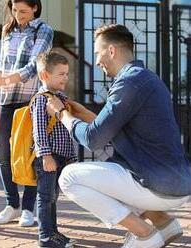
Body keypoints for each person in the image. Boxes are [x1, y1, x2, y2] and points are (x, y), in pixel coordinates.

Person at [46, 24, 191, 248]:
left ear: (111, 51)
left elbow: (93, 140)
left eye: (97, 53)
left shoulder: (129, 82)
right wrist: (83, 114)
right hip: (176, 182)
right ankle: (164, 223)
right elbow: (112, 130)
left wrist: (62, 114)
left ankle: (145, 234)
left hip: (157, 185)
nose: (96, 61)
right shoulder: (146, 78)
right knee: (111, 169)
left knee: (69, 177)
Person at [0, 0, 54, 226]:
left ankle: (28, 209)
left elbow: (35, 66)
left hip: (28, 100)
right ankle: (12, 205)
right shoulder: (8, 29)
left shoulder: (44, 30)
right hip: (5, 99)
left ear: (35, 7)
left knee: (28, 154)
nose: (18, 14)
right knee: (3, 153)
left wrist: (3, 80)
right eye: (15, 10)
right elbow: (4, 63)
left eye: (23, 11)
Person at [31, 51, 80, 248]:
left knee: (53, 197)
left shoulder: (61, 98)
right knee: (45, 197)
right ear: (45, 75)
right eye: (61, 74)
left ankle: (53, 232)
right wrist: (45, 156)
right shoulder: (42, 99)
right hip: (49, 157)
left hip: (61, 157)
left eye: (67, 73)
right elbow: (39, 130)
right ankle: (45, 236)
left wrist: (71, 155)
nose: (66, 78)